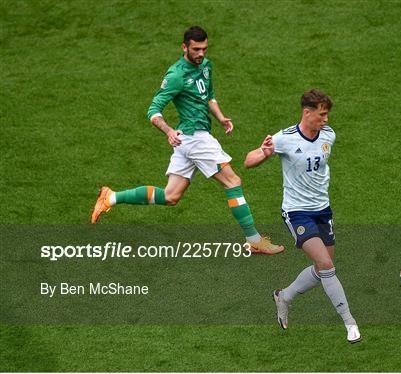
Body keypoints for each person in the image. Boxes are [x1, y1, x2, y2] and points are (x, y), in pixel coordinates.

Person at [91, 26, 283, 255]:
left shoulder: (205, 65)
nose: (201, 53)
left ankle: (110, 197)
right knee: (233, 182)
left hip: (191, 138)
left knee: (170, 196)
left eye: (204, 48)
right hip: (194, 138)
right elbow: (153, 110)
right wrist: (168, 130)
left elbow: (208, 96)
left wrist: (220, 118)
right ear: (184, 47)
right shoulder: (176, 76)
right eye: (196, 49)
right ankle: (253, 240)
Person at [243, 89, 361, 343]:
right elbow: (248, 161)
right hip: (297, 212)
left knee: (322, 270)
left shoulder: (329, 135)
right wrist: (263, 154)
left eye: (327, 114)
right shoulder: (285, 139)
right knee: (328, 266)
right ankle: (350, 323)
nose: (326, 120)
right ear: (307, 113)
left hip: (323, 210)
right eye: (322, 114)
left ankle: (283, 296)